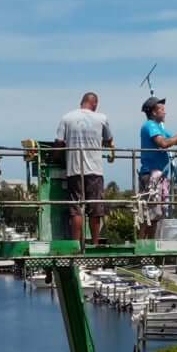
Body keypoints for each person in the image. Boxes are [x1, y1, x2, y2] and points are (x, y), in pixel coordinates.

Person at [138, 97, 177, 238]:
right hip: (151, 175)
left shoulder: (158, 127)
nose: (165, 113)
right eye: (162, 110)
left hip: (160, 176)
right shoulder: (150, 126)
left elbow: (174, 139)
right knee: (149, 215)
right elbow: (164, 143)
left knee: (156, 215)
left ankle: (149, 244)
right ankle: (143, 244)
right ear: (154, 112)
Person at [56, 92, 114, 247]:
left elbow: (59, 143)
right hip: (95, 170)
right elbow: (109, 140)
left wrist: (59, 158)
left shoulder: (67, 118)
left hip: (74, 169)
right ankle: (94, 243)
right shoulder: (101, 118)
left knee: (76, 209)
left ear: (81, 102)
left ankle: (75, 245)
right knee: (95, 209)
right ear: (95, 104)